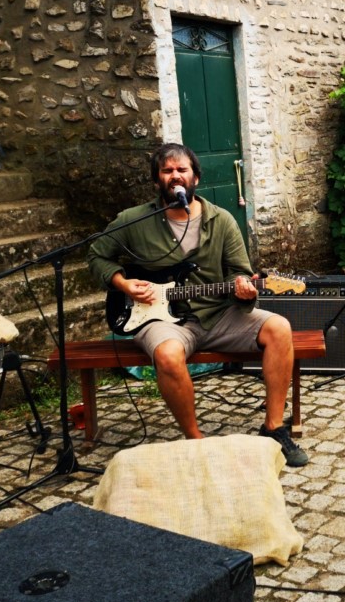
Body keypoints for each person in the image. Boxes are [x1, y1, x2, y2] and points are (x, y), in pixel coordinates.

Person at [88, 143, 308, 467]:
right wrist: (122, 284)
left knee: (279, 328)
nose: (175, 176)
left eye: (182, 170)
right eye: (167, 171)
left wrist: (245, 290)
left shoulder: (222, 221)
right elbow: (96, 255)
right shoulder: (132, 220)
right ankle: (196, 441)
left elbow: (239, 273)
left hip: (218, 313)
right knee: (167, 354)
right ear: (156, 180)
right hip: (160, 319)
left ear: (196, 177)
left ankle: (274, 427)